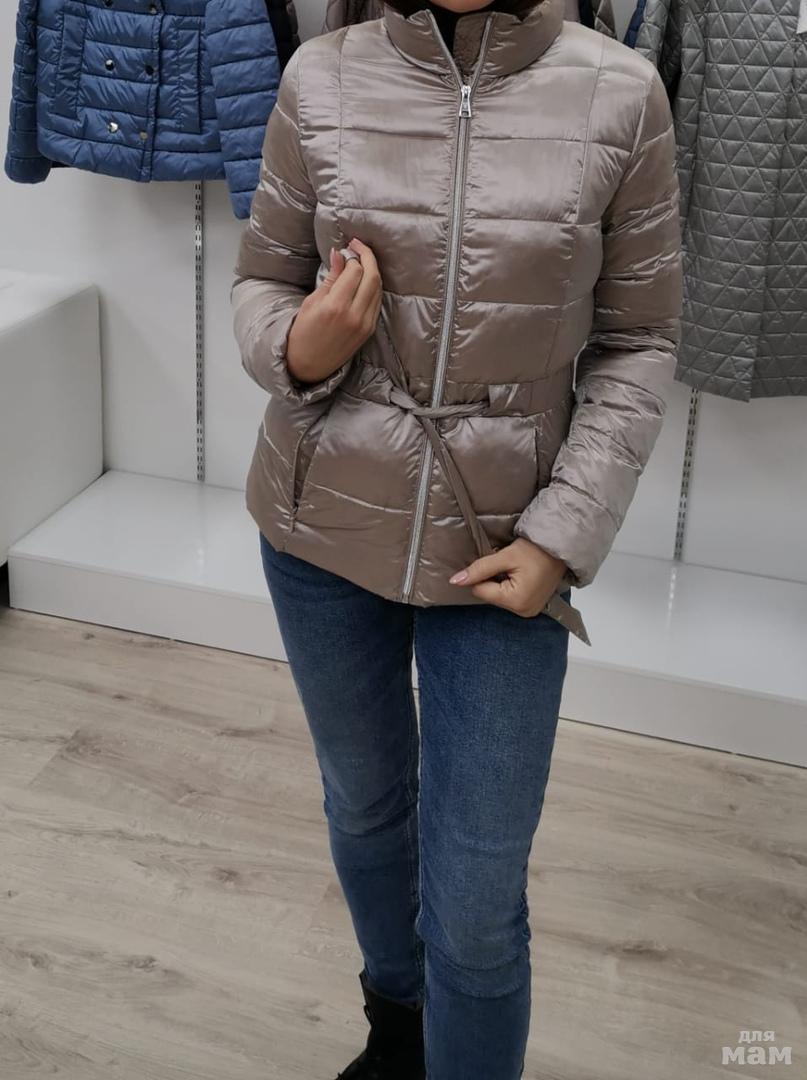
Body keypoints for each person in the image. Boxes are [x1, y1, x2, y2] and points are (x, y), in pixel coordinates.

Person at [230, 0, 683, 1076]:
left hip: (505, 551)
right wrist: (298, 346)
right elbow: (261, 277)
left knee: (477, 900)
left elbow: (640, 339)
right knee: (365, 806)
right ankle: (397, 1031)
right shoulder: (321, 76)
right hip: (319, 528)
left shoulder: (621, 92)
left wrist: (562, 534)